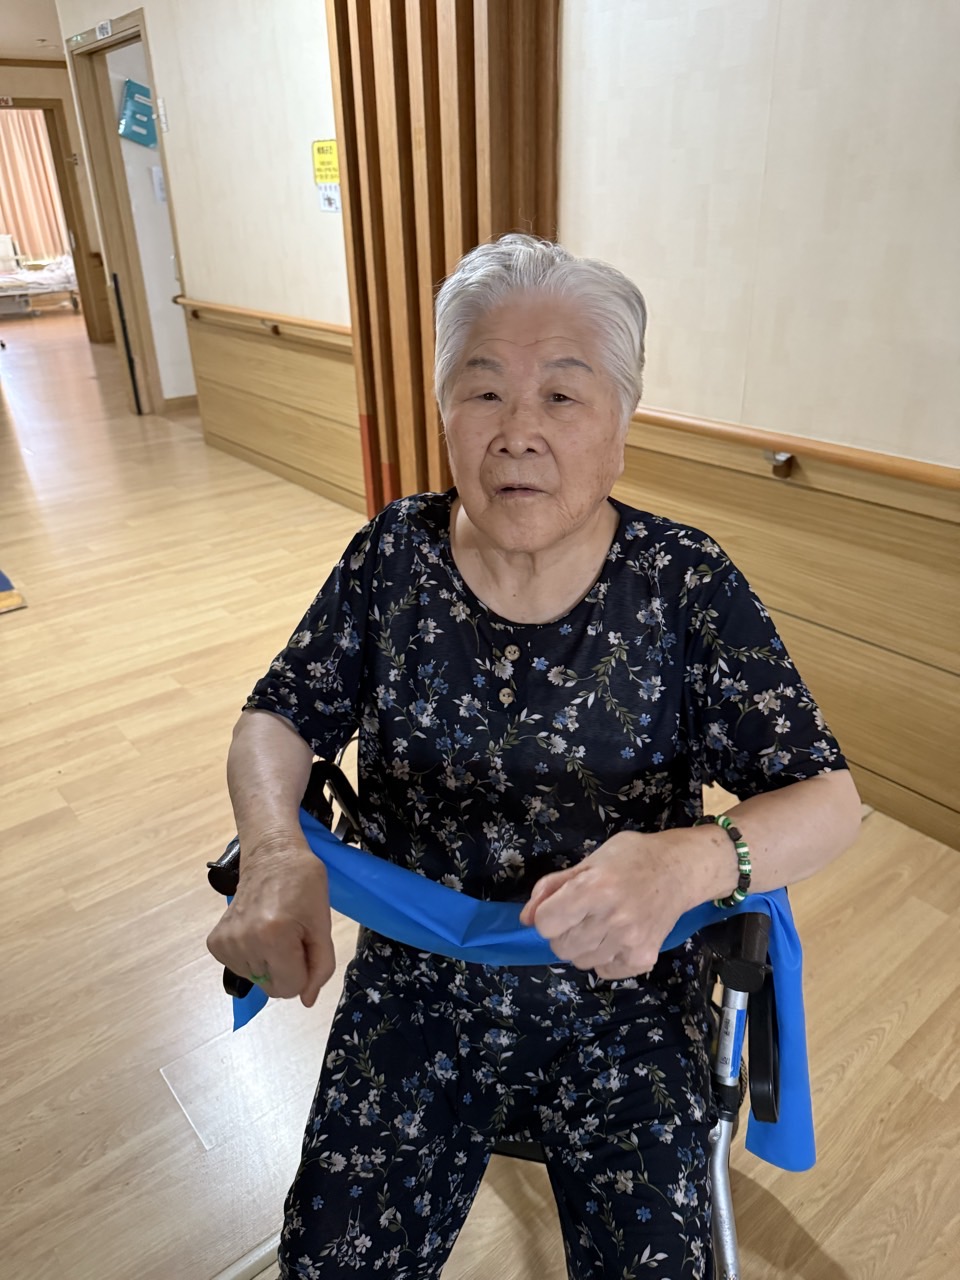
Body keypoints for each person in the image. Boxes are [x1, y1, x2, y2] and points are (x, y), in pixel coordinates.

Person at [208, 234, 861, 1278]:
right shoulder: (393, 557)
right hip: (417, 984)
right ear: (443, 413)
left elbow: (828, 796)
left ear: (620, 427)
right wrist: (277, 848)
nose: (518, 432)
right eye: (484, 392)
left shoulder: (683, 582)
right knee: (331, 1259)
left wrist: (687, 862)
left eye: (562, 395)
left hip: (625, 994)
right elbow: (277, 716)